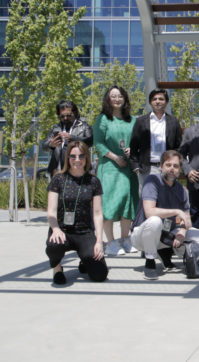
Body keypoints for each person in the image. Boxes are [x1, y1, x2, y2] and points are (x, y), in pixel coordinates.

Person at [129, 150, 199, 280]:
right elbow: (149, 211)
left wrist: (182, 233)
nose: (172, 169)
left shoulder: (180, 189)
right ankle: (150, 261)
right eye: (168, 165)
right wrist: (177, 212)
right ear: (161, 166)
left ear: (179, 170)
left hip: (166, 235)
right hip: (142, 236)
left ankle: (167, 251)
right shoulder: (152, 180)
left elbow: (187, 220)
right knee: (155, 221)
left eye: (176, 166)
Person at [45, 141, 107, 285]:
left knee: (99, 275)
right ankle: (57, 269)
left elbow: (97, 213)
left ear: (87, 158)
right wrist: (55, 229)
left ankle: (84, 261)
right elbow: (51, 211)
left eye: (81, 156)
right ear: (68, 158)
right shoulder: (58, 179)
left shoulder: (93, 181)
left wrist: (99, 242)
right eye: (73, 156)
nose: (77, 160)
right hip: (62, 231)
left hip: (84, 232)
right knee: (54, 246)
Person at [93, 85, 140, 256]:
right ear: (108, 99)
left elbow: (138, 140)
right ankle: (111, 242)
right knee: (111, 203)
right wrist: (115, 157)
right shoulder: (103, 119)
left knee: (129, 202)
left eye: (120, 95)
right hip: (111, 167)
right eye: (113, 96)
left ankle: (125, 239)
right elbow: (98, 142)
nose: (117, 99)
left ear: (125, 98)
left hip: (129, 168)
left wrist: (132, 149)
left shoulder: (132, 119)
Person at [129, 89, 183, 194]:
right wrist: (136, 168)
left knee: (167, 199)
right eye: (154, 99)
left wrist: (175, 165)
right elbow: (134, 146)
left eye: (161, 99)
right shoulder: (140, 121)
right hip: (146, 168)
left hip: (167, 167)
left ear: (166, 102)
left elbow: (178, 146)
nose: (157, 101)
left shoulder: (174, 121)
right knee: (147, 200)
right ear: (150, 102)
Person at [42, 100, 93, 177]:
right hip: (58, 171)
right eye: (62, 116)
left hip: (79, 171)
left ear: (75, 112)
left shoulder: (84, 126)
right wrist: (51, 145)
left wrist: (72, 138)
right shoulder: (56, 128)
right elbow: (44, 148)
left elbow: (90, 142)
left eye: (69, 115)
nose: (65, 118)